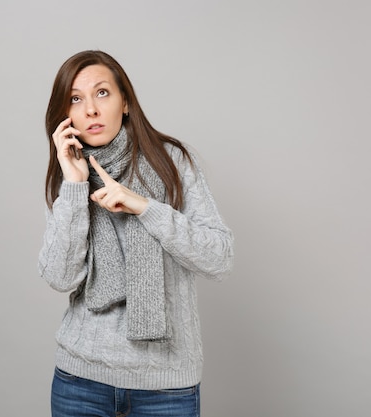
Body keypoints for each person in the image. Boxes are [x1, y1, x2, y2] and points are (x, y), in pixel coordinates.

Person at [38, 50, 234, 417]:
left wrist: (145, 207)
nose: (91, 110)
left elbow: (219, 258)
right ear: (65, 115)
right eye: (76, 99)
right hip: (80, 382)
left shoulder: (172, 161)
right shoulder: (69, 175)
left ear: (125, 101)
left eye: (102, 93)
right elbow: (59, 276)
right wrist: (76, 186)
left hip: (166, 388)